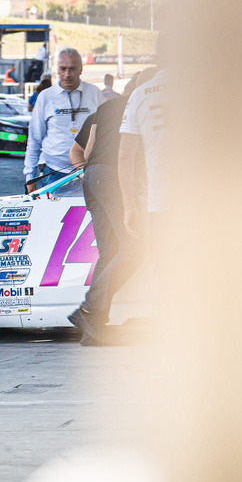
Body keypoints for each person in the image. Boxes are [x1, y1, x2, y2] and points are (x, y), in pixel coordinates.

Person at [65, 70, 154, 345]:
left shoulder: (106, 107)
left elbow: (87, 152)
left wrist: (92, 172)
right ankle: (88, 309)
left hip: (91, 177)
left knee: (109, 251)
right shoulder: (145, 106)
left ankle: (94, 325)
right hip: (113, 177)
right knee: (134, 248)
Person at [24, 48, 103, 191]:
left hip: (87, 172)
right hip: (53, 173)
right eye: (63, 69)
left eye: (72, 69)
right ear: (57, 70)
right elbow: (34, 139)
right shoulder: (45, 97)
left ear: (81, 69)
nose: (67, 74)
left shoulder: (95, 93)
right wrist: (29, 176)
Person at [119, 63, 169, 253]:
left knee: (162, 265)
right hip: (199, 199)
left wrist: (129, 206)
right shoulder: (200, 86)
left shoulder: (140, 94)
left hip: (160, 201)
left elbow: (125, 155)